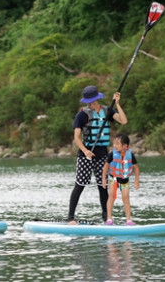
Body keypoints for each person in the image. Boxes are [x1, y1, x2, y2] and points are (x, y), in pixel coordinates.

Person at [68, 85, 127, 225]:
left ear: (97, 99)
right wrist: (85, 150)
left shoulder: (108, 111)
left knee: (103, 185)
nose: (90, 104)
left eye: (92, 101)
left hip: (102, 154)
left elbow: (123, 121)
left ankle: (106, 217)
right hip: (86, 154)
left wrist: (117, 104)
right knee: (80, 184)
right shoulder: (82, 115)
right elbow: (76, 137)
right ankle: (70, 217)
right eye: (88, 102)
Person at [102, 133, 140, 225]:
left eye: (117, 144)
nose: (115, 146)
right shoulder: (112, 154)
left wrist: (136, 180)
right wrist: (104, 179)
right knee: (112, 196)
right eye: (114, 143)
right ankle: (109, 219)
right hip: (113, 178)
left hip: (124, 179)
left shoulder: (130, 154)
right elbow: (106, 167)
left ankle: (128, 220)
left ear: (125, 146)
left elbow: (136, 168)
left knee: (126, 198)